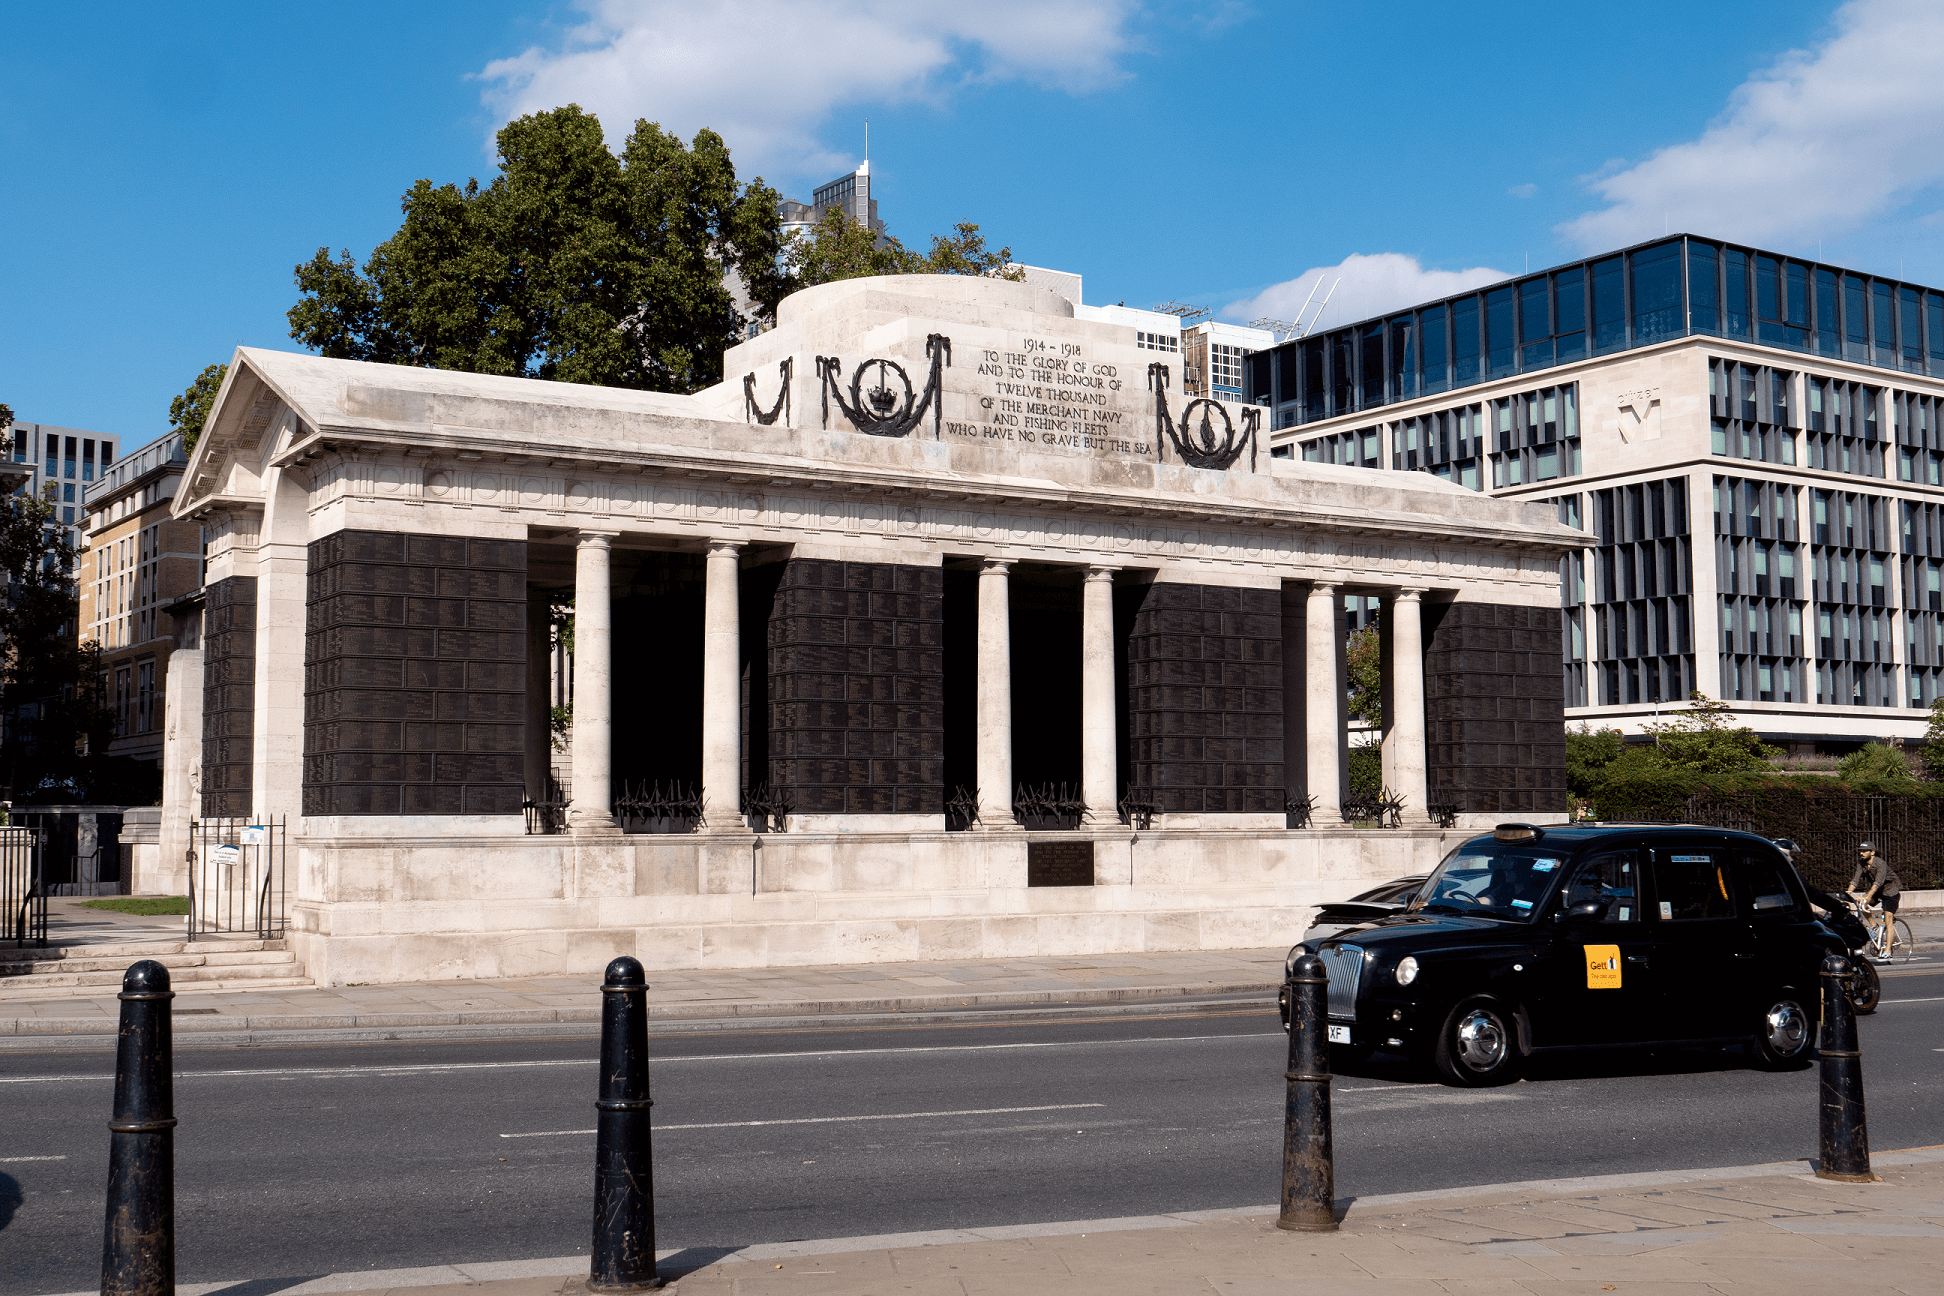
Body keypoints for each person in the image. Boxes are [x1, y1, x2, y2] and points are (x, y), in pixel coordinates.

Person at [1848, 841, 1904, 962]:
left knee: (1888, 918)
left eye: (1864, 851)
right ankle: (1874, 926)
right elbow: (1855, 880)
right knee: (1861, 904)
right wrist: (1848, 892)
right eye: (1860, 851)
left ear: (1872, 852)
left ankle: (1888, 951)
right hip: (1878, 891)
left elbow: (1877, 883)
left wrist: (1868, 896)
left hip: (1890, 890)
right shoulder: (1862, 863)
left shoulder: (1880, 864)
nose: (1861, 853)